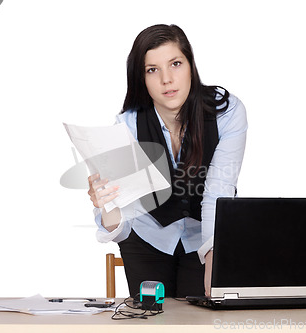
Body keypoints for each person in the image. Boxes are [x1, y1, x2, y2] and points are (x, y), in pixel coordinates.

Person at [87, 24, 247, 298]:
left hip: (204, 235)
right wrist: (106, 204)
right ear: (141, 78)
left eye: (175, 64)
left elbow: (218, 191)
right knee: (150, 321)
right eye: (152, 69)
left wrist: (212, 258)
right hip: (148, 236)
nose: (166, 79)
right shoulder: (127, 126)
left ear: (190, 65)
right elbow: (123, 215)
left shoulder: (227, 111)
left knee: (201, 321)